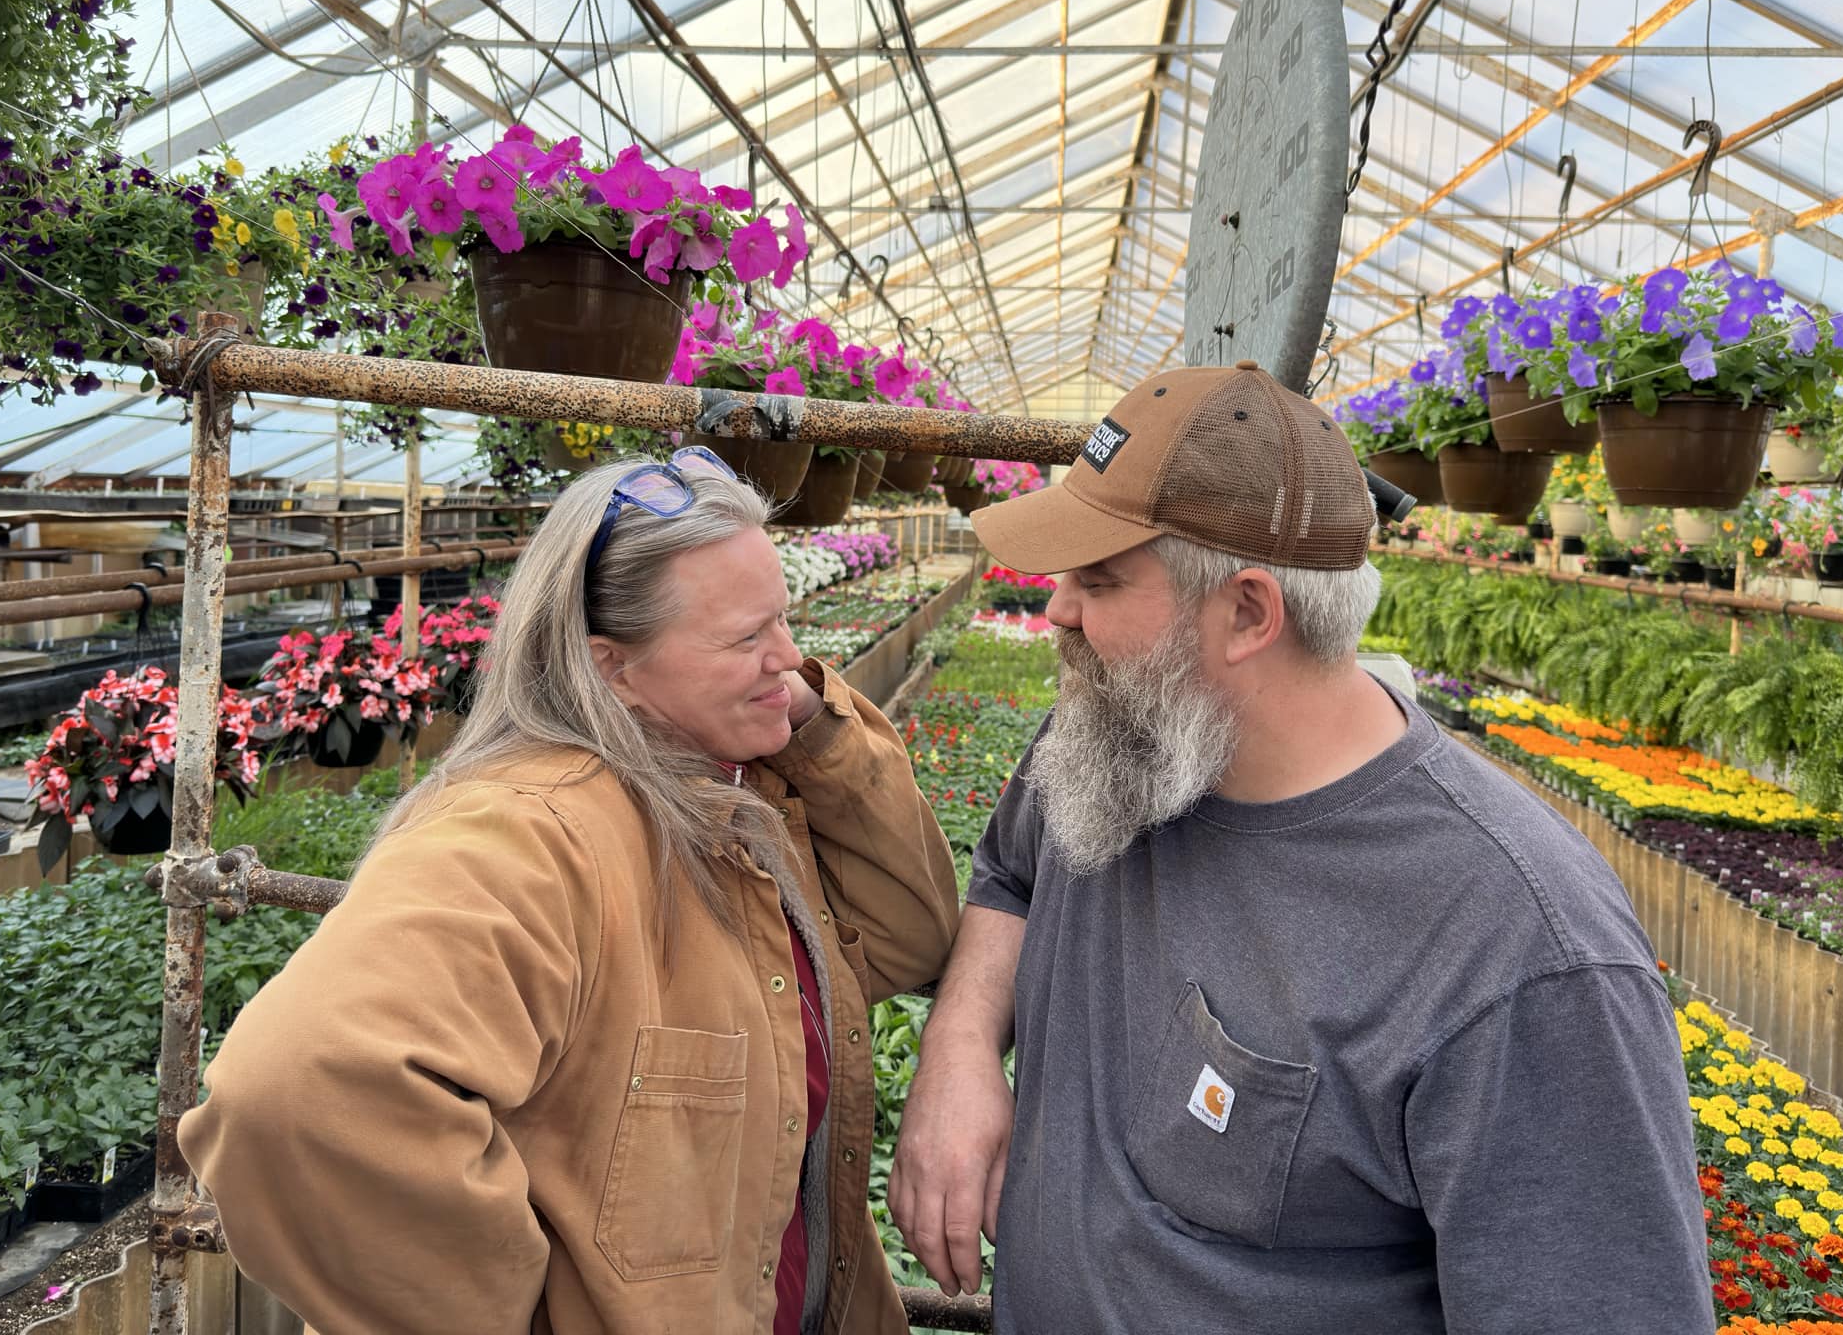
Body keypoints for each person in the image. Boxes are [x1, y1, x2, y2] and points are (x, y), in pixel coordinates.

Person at [888, 363, 1713, 1334]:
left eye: (1097, 580)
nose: (1055, 612)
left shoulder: (1518, 953)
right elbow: (1009, 874)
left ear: (1246, 613)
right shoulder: (1114, 737)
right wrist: (956, 1048)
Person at [182, 446, 960, 1335]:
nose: (791, 657)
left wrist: (806, 719)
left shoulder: (732, 796)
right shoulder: (530, 831)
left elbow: (909, 937)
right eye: (747, 637)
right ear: (612, 669)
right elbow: (292, 1094)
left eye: (784, 620)